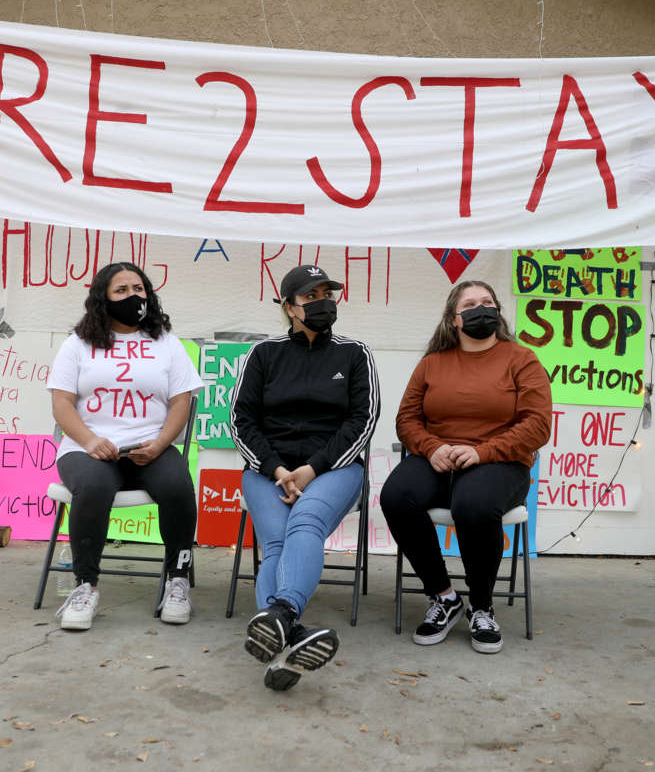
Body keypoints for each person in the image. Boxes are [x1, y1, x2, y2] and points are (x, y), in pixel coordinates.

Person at [228, 264, 380, 691]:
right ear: (289, 308)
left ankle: (280, 613)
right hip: (268, 471)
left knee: (306, 523)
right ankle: (285, 643)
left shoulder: (355, 354)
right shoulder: (264, 354)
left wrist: (311, 470)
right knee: (277, 541)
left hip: (334, 468)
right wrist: (277, 469)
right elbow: (241, 421)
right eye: (310, 297)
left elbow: (362, 423)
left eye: (327, 294)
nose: (322, 302)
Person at [380, 280, 551, 654]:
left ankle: (481, 605)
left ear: (498, 311)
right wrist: (432, 447)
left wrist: (484, 452)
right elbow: (407, 419)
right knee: (395, 496)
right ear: (454, 320)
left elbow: (538, 425)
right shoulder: (432, 363)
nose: (480, 308)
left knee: (472, 504)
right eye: (470, 304)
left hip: (500, 462)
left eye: (487, 302)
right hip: (438, 457)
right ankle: (444, 597)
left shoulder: (522, 360)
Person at [46, 262, 203, 631]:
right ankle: (85, 586)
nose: (133, 296)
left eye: (139, 288)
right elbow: (62, 404)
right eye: (121, 291)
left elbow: (181, 403)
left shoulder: (167, 344)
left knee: (178, 484)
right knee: (96, 486)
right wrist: (90, 441)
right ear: (103, 299)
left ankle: (177, 580)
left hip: (151, 447)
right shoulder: (78, 345)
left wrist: (162, 443)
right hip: (88, 450)